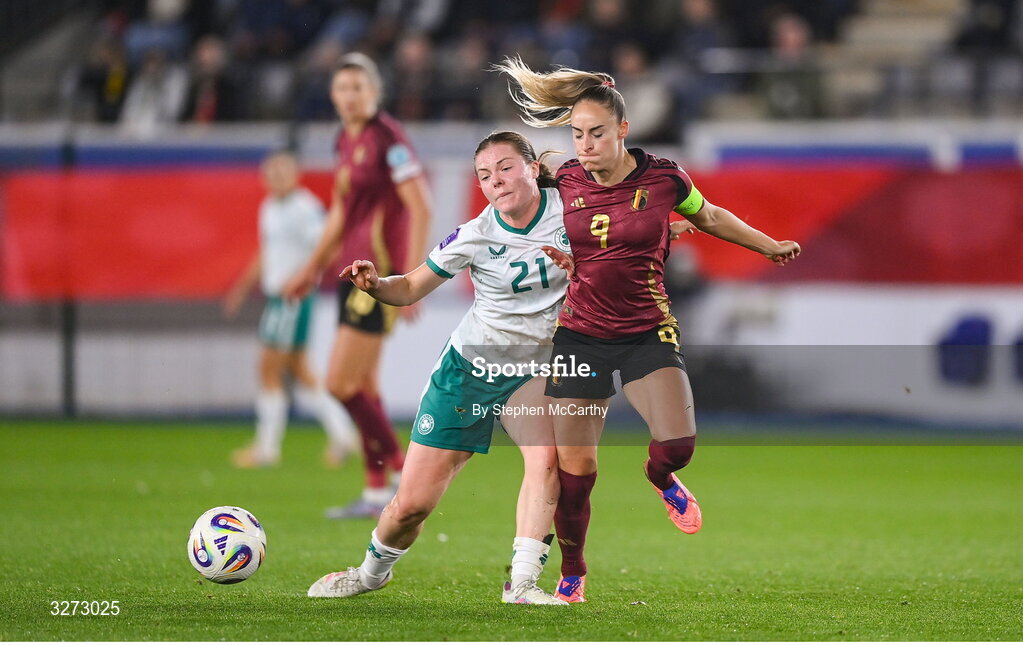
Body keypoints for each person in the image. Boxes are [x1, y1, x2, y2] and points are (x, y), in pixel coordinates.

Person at [495, 56, 801, 603]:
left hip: (644, 331)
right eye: (576, 133)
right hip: (580, 334)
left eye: (596, 133)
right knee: (576, 468)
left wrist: (767, 243)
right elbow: (525, 216)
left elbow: (709, 215)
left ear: (623, 131)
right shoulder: (563, 179)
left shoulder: (663, 177)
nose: (584, 144)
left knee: (678, 444)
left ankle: (662, 480)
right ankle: (573, 571)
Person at [306, 131, 571, 605]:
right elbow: (408, 288)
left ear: (532, 167)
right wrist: (375, 283)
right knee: (412, 506)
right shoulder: (476, 234)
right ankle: (369, 575)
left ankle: (523, 583)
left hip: (533, 369)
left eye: (506, 167)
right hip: (469, 370)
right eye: (485, 176)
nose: (496, 181)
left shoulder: (572, 209)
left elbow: (620, 232)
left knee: (547, 460)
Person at [283, 53, 432, 519]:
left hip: (379, 277)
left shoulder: (388, 139)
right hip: (351, 273)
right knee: (363, 384)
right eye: (342, 88)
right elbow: (340, 212)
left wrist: (409, 279)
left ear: (374, 93)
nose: (349, 96)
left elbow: (421, 207)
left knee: (340, 383)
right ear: (332, 94)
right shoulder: (344, 140)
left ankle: (408, 472)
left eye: (358, 88)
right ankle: (374, 493)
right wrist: (312, 267)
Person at [223, 150, 359, 468]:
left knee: (268, 368)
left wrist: (304, 279)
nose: (277, 180)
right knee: (299, 370)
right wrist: (242, 288)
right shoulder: (269, 207)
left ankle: (267, 448)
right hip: (277, 297)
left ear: (295, 175)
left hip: (291, 298)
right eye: (272, 174)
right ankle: (343, 435)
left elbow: (328, 246)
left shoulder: (304, 208)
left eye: (283, 173)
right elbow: (266, 252)